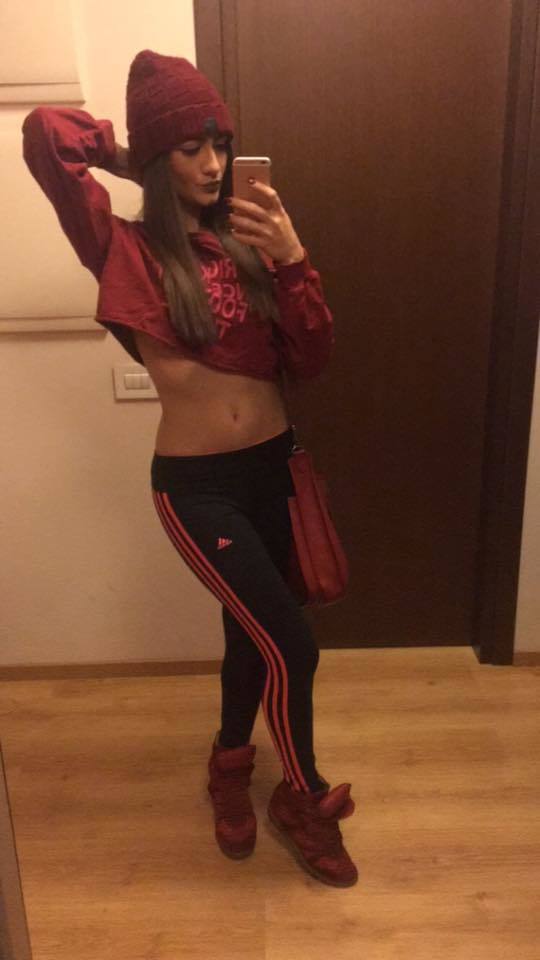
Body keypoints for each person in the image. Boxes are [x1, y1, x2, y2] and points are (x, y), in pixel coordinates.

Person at [21, 48, 358, 888]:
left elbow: (313, 359)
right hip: (198, 489)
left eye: (220, 143)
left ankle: (228, 768)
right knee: (292, 645)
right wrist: (127, 153)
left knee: (252, 633)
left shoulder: (251, 247)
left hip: (274, 472)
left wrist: (293, 257)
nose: (212, 163)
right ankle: (303, 796)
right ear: (158, 155)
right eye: (189, 147)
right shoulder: (123, 250)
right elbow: (45, 133)